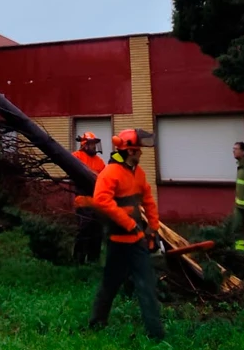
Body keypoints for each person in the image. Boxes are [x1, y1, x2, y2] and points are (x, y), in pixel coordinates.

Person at [88, 128, 165, 341]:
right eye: (138, 151)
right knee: (110, 284)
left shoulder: (137, 173)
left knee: (147, 285)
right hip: (117, 241)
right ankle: (97, 323)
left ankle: (155, 334)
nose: (141, 154)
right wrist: (130, 224)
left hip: (137, 240)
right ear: (130, 151)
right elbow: (101, 201)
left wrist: (154, 226)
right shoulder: (110, 173)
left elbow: (148, 198)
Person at [72, 131, 106, 264]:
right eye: (91, 144)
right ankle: (79, 259)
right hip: (83, 201)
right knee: (84, 231)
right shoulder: (76, 156)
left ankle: (93, 259)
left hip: (97, 201)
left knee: (97, 232)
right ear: (85, 144)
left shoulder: (99, 161)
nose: (94, 147)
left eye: (95, 144)